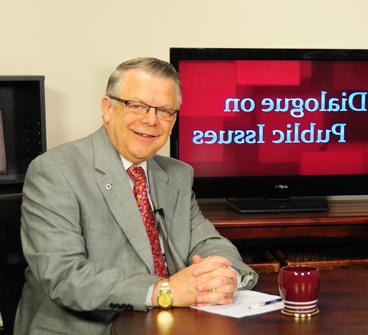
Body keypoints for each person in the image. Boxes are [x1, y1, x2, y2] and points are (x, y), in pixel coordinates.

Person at [15, 57, 258, 334]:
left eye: (165, 111)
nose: (151, 120)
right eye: (138, 106)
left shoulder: (177, 174)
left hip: (168, 324)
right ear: (108, 109)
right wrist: (164, 291)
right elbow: (64, 276)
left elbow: (210, 243)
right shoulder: (55, 171)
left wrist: (226, 275)